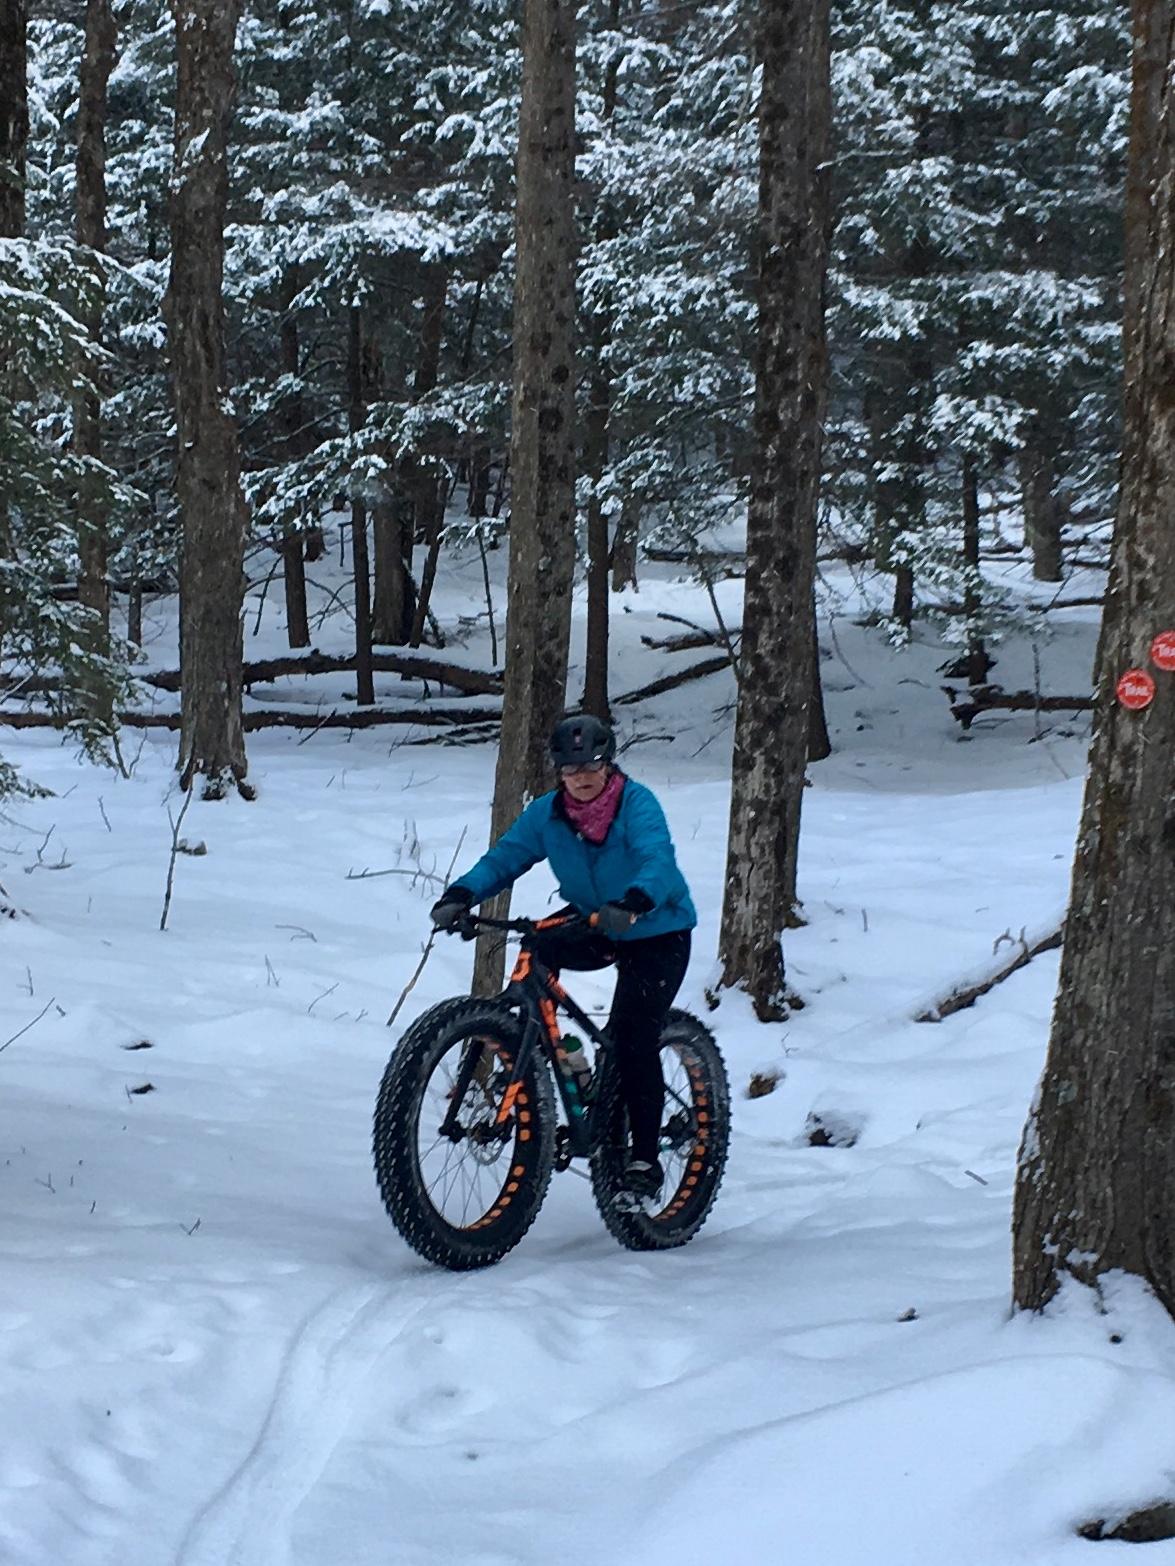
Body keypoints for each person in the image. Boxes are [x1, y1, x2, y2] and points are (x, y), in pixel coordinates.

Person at [429, 714, 697, 1206]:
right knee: (539, 947)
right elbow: (505, 857)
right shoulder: (548, 815)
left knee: (633, 1037)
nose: (581, 776)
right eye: (571, 768)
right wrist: (462, 894)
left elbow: (657, 858)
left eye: (591, 765)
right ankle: (548, 1060)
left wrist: (636, 900)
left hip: (657, 926)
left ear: (608, 763)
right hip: (596, 920)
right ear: (559, 771)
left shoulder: (636, 804)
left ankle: (644, 1159)